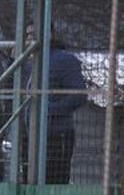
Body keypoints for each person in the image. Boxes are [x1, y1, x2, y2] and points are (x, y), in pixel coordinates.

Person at [27, 24, 88, 184]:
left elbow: (79, 94)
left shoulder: (64, 60)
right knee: (29, 181)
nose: (29, 39)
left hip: (56, 134)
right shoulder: (27, 62)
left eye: (33, 34)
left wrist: (50, 110)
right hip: (28, 134)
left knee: (54, 181)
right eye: (27, 35)